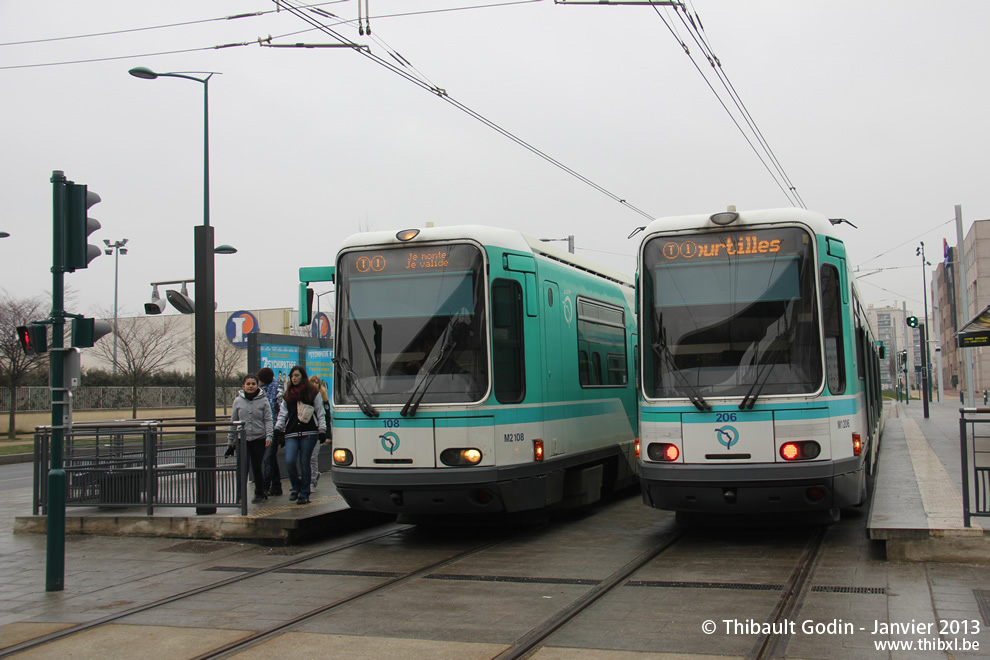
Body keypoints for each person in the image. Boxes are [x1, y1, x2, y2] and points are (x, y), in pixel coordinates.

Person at [274, 365, 326, 505]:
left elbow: (320, 412)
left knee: (305, 462)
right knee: (289, 461)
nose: (294, 378)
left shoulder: (313, 393)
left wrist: (322, 429)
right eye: (292, 376)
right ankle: (295, 486)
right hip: (291, 432)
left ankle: (304, 493)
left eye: (296, 375)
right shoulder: (288, 394)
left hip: (309, 431)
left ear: (302, 376)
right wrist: (278, 428)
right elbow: (283, 413)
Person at [227, 374, 273, 504]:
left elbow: (268, 419)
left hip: (259, 438)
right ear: (243, 386)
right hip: (243, 439)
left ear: (257, 385)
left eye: (253, 384)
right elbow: (233, 421)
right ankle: (240, 495)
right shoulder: (238, 401)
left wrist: (269, 436)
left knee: (257, 467)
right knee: (242, 467)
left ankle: (259, 492)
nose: (251, 386)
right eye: (248, 384)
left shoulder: (264, 401)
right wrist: (231, 441)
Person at [257, 367, 283, 496]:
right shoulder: (261, 392)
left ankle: (265, 487)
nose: (258, 382)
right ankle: (277, 485)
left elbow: (282, 411)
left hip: (274, 429)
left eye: (260, 379)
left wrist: (280, 429)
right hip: (262, 430)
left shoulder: (277, 391)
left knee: (267, 458)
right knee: (271, 458)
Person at [308, 375, 331, 491]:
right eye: (312, 382)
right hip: (308, 429)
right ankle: (312, 475)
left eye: (316, 383)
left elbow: (327, 416)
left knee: (313, 456)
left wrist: (327, 434)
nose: (314, 384)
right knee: (307, 457)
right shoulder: (306, 396)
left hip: (318, 430)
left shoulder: (323, 397)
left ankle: (313, 479)